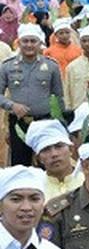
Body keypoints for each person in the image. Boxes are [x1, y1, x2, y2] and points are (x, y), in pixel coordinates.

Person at [0, 24, 65, 166]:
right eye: (25, 41)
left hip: (45, 122)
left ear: (40, 43)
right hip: (19, 123)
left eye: (33, 41)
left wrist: (61, 123)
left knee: (46, 163)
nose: (29, 45)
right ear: (19, 42)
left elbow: (59, 96)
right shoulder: (7, 66)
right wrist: (11, 105)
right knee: (20, 163)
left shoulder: (51, 66)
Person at [23, 120, 83, 199]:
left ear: (71, 150)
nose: (54, 154)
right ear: (38, 158)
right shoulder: (34, 186)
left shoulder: (88, 181)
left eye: (59, 146)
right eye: (46, 149)